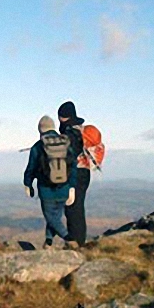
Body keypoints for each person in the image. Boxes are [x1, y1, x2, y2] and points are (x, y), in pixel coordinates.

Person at [23, 115, 79, 249]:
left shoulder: (38, 146)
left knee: (51, 218)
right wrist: (72, 187)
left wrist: (28, 183)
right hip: (64, 188)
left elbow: (31, 167)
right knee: (56, 217)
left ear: (40, 130)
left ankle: (69, 239)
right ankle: (48, 242)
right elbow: (73, 165)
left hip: (46, 189)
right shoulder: (65, 143)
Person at [58, 101, 89, 247]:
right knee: (76, 207)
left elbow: (70, 154)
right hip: (85, 171)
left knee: (73, 209)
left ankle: (77, 243)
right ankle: (78, 241)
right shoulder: (79, 129)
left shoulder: (70, 132)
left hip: (75, 173)